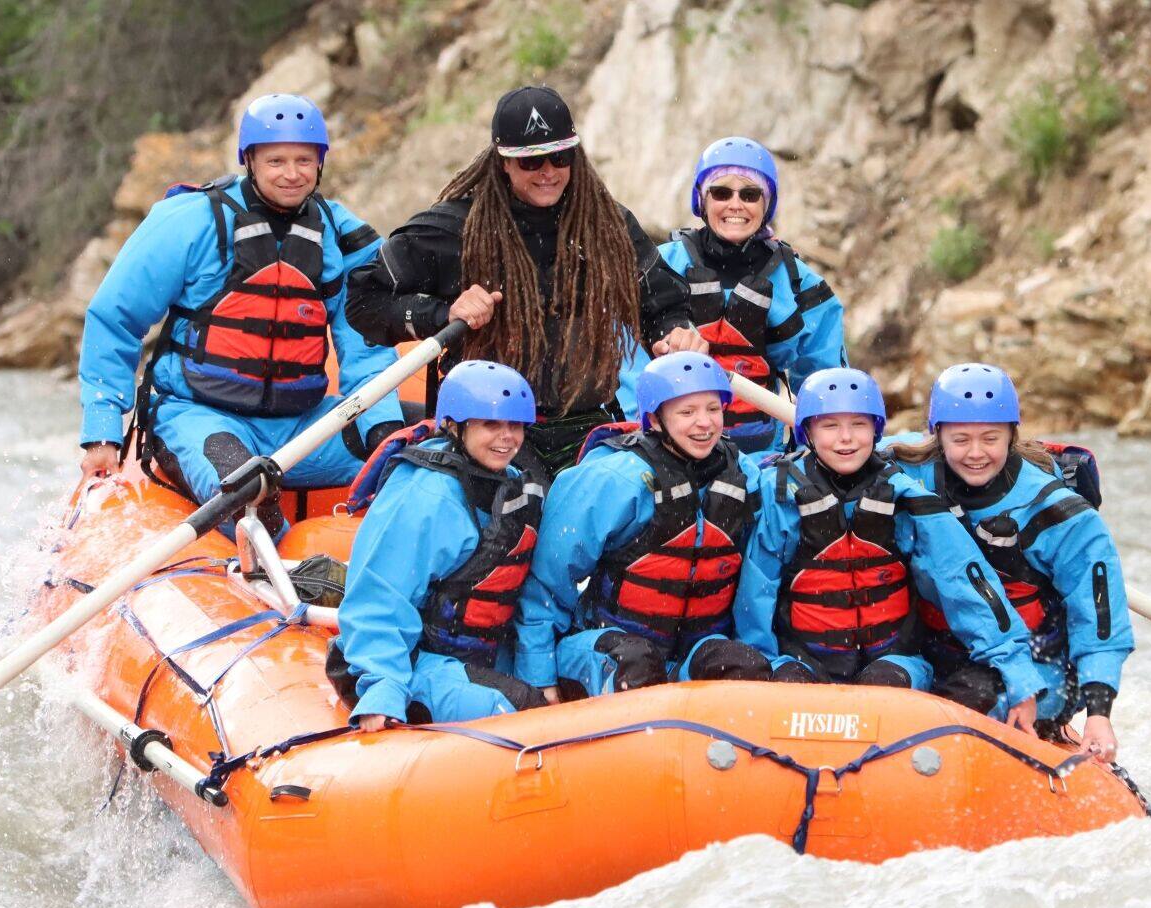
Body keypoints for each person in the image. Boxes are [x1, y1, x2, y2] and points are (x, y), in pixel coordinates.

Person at [76, 93, 401, 535]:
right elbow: (116, 318)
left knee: (421, 455)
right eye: (276, 161)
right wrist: (102, 431)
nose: (292, 174)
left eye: (304, 160)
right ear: (249, 159)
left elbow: (367, 345)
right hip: (199, 415)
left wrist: (385, 429)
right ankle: (280, 579)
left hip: (301, 425)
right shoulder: (190, 221)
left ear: (321, 163)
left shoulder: (341, 236)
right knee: (250, 493)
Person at [346, 85, 691, 473]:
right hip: (486, 427)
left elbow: (663, 305)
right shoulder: (453, 229)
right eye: (531, 162)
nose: (547, 172)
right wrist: (442, 313)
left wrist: (674, 331)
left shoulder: (608, 227)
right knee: (516, 508)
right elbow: (363, 304)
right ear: (502, 162)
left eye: (560, 157)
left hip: (585, 423)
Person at [737, 368, 1046, 728]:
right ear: (808, 431)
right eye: (830, 426)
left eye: (858, 425)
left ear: (876, 429)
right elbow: (756, 591)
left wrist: (1017, 674)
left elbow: (964, 580)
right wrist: (761, 665)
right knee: (791, 687)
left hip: (895, 662)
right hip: (802, 659)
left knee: (881, 689)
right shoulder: (780, 495)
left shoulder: (906, 496)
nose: (846, 439)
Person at [888, 363, 1133, 761]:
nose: (976, 453)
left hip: (1036, 666)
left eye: (991, 438)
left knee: (971, 700)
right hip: (934, 652)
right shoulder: (905, 468)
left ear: (1012, 435)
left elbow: (1099, 614)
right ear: (936, 437)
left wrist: (1099, 715)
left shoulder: (1057, 511)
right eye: (960, 439)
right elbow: (841, 446)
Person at [515, 351, 782, 699]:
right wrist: (540, 677)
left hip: (691, 652)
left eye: (713, 409)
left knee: (745, 664)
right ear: (655, 420)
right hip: (606, 646)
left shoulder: (744, 475)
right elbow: (546, 586)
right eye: (687, 412)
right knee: (637, 664)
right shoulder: (612, 479)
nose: (704, 423)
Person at [328, 360, 551, 730]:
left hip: (478, 651)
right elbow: (381, 595)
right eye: (490, 424)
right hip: (414, 659)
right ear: (454, 425)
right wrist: (382, 688)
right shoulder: (428, 494)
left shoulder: (511, 483)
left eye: (515, 426)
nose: (507, 437)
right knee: (524, 709)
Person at [651, 137, 846, 455]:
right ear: (702, 199)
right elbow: (626, 363)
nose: (735, 204)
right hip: (668, 448)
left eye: (750, 194)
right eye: (721, 192)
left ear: (767, 204)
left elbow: (827, 381)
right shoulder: (660, 266)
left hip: (760, 450)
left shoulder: (799, 281)